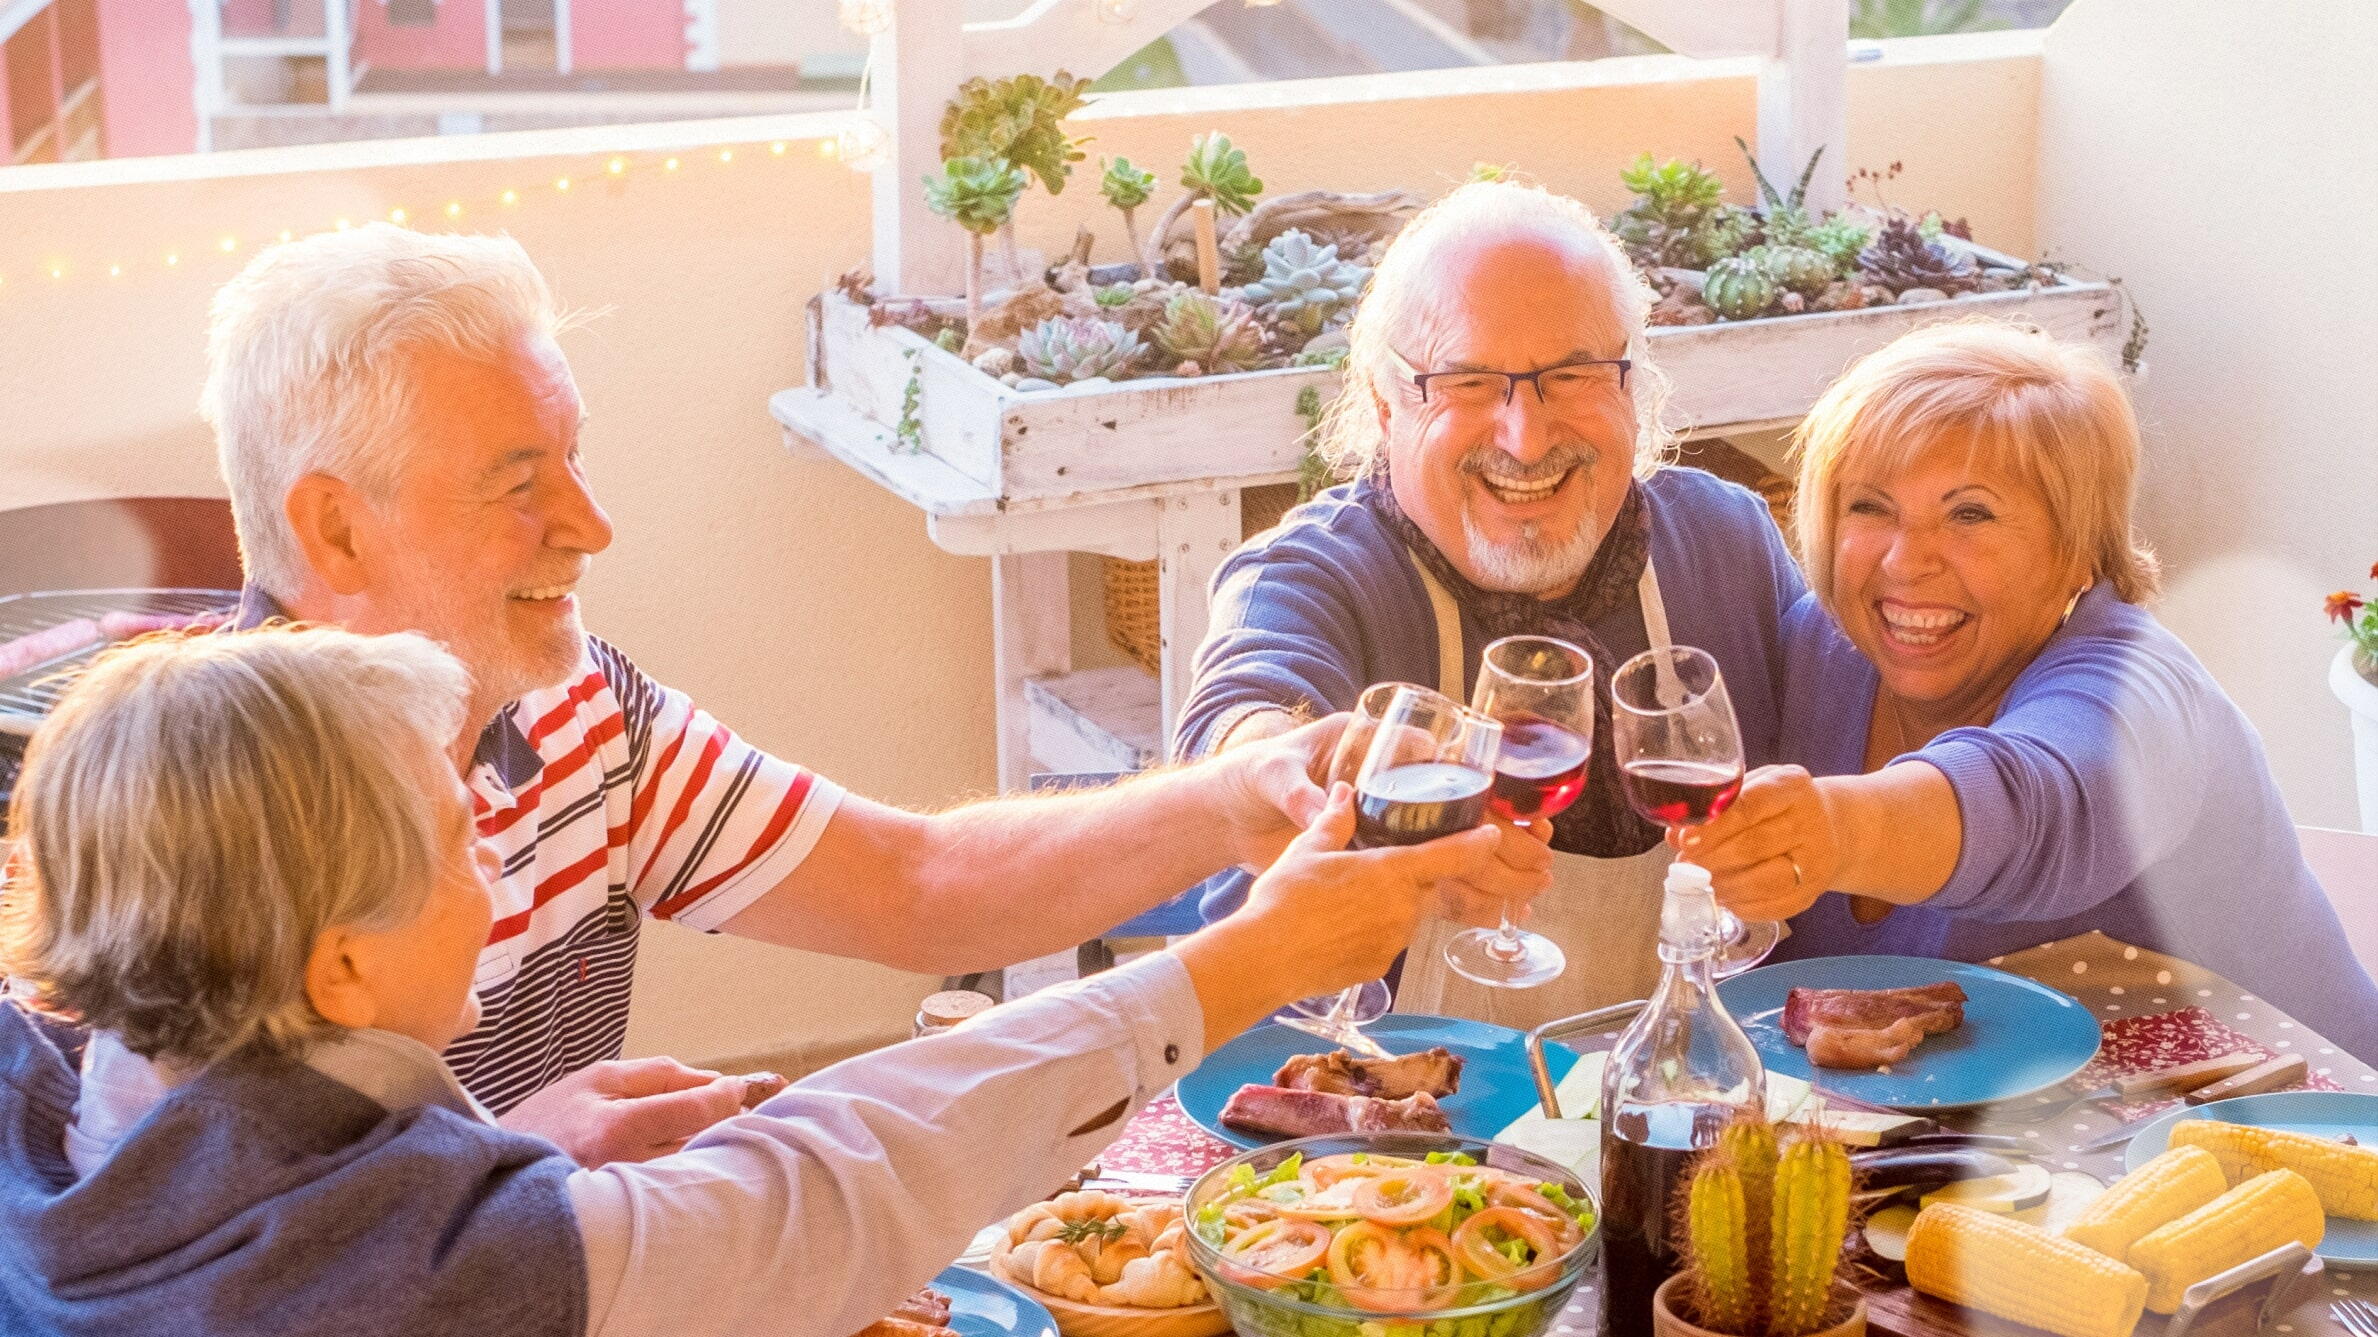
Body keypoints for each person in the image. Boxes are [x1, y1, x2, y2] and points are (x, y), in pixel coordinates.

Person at [193, 224, 1550, 1164]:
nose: (593, 525)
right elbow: (218, 1272)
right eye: (518, 484)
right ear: (338, 533)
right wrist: (497, 1170)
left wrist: (1229, 798)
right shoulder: (200, 842)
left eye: (576, 459)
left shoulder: (569, 709)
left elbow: (919, 883)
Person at [0, 625, 1500, 1337]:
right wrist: (1248, 960)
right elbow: (830, 1184)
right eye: (463, 849)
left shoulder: (48, 1109)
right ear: (339, 967)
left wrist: (512, 1149)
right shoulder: (462, 1272)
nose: (501, 885)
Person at [1175, 181, 1806, 1025]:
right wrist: (1321, 784)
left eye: (1573, 374)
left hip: (1684, 1124)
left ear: (1633, 383)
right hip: (1400, 1139)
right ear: (1383, 402)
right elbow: (1239, 726)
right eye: (1469, 383)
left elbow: (1868, 730)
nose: (1525, 436)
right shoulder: (1309, 576)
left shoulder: (1726, 542)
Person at [1679, 320, 2378, 1063]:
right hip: (2027, 1155)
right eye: (1870, 506)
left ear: (2078, 550)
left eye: (1969, 513)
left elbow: (2035, 804)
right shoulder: (1822, 650)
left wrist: (1835, 831)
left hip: (2309, 1127)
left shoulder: (2139, 692)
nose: (1906, 560)